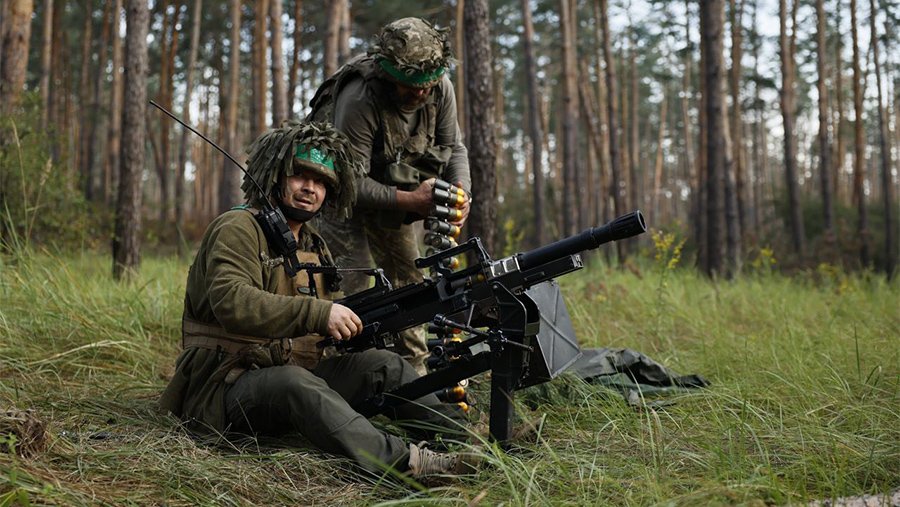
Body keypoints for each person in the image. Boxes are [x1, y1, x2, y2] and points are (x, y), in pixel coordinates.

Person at [159, 121, 471, 478]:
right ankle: (409, 466)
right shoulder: (238, 228)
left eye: (321, 182)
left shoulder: (312, 244)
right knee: (295, 383)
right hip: (224, 386)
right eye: (300, 176)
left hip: (294, 373)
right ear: (275, 175)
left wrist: (366, 322)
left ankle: (464, 443)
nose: (310, 188)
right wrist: (319, 313)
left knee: (385, 365)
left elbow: (330, 320)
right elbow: (232, 302)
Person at [308, 17, 472, 375]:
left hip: (394, 190)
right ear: (389, 76)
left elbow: (454, 148)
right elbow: (350, 182)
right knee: (348, 284)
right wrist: (412, 201)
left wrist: (462, 193)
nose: (421, 95)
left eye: (427, 86)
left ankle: (412, 377)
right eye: (411, 87)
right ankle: (337, 374)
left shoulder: (440, 87)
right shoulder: (360, 98)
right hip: (340, 196)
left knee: (410, 280)